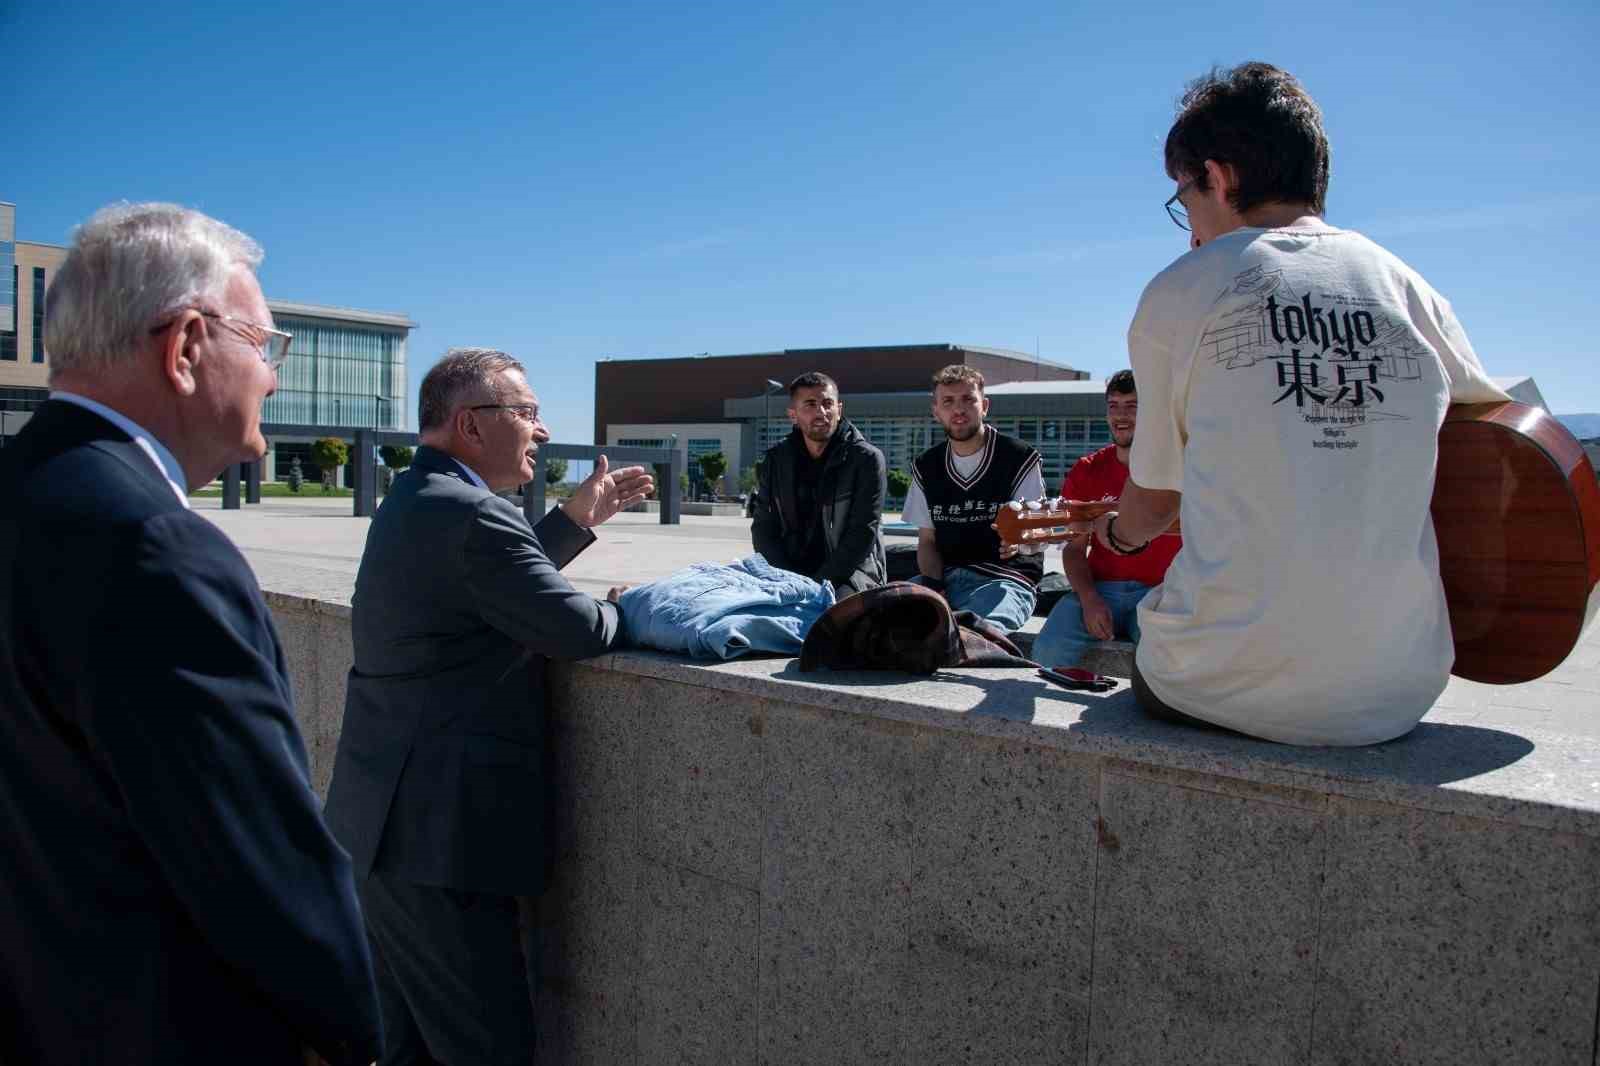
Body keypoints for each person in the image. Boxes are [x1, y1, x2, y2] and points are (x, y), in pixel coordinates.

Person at [0, 203, 381, 1064]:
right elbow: (262, 871)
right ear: (184, 349)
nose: (273, 379)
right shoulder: (156, 550)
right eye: (264, 346)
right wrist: (353, 1035)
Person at [1069, 63, 1508, 745]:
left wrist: (1115, 536)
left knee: (1145, 671)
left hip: (1217, 677)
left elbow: (1155, 501)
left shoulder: (1184, 287)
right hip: (1399, 686)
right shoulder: (1410, 288)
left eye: (1183, 197)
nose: (1186, 225)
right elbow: (1503, 435)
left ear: (1220, 177)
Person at [323, 347, 653, 1065]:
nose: (540, 430)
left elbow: (488, 584)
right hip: (442, 846)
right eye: (527, 413)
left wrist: (570, 522)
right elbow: (573, 628)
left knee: (405, 1051)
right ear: (472, 425)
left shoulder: (420, 497)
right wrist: (631, 609)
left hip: (383, 831)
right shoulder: (472, 514)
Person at [1032, 370, 1181, 667]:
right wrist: (1089, 599)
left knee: (1168, 664)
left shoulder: (1177, 467)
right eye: (1113, 405)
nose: (1121, 415)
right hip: (1101, 589)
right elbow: (1074, 550)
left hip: (1163, 593)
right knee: (1047, 653)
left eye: (1132, 406)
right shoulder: (1087, 469)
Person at [902, 364, 1045, 631]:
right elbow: (927, 541)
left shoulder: (1019, 457)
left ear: (985, 405)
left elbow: (1036, 532)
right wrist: (933, 587)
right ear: (936, 411)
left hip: (1003, 580)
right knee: (885, 616)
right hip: (946, 579)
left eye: (968, 399)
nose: (958, 409)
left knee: (981, 633)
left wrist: (1020, 541)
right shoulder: (926, 465)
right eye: (948, 401)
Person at [751, 371, 887, 596]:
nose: (821, 412)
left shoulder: (866, 459)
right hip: (789, 571)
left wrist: (817, 585)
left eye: (827, 403)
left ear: (839, 410)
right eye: (810, 405)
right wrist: (785, 578)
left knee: (832, 617)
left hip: (851, 572)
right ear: (793, 415)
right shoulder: (776, 460)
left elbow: (862, 534)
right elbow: (763, 528)